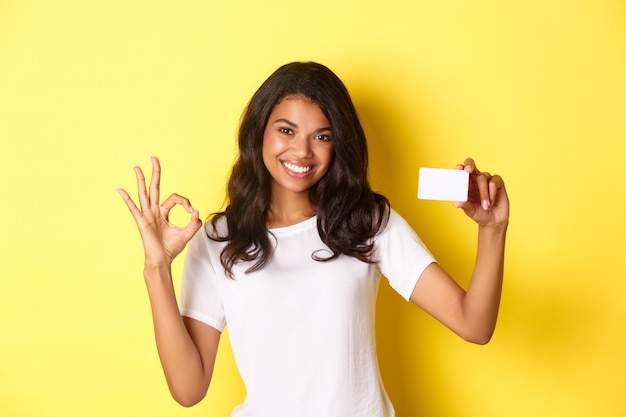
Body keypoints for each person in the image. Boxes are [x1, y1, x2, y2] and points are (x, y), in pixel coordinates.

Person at [117, 61, 509, 417]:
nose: (302, 150)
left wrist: (492, 230)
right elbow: (188, 389)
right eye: (286, 130)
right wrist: (157, 267)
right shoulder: (219, 239)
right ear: (260, 133)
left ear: (338, 143)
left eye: (321, 136)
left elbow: (473, 324)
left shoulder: (366, 222)